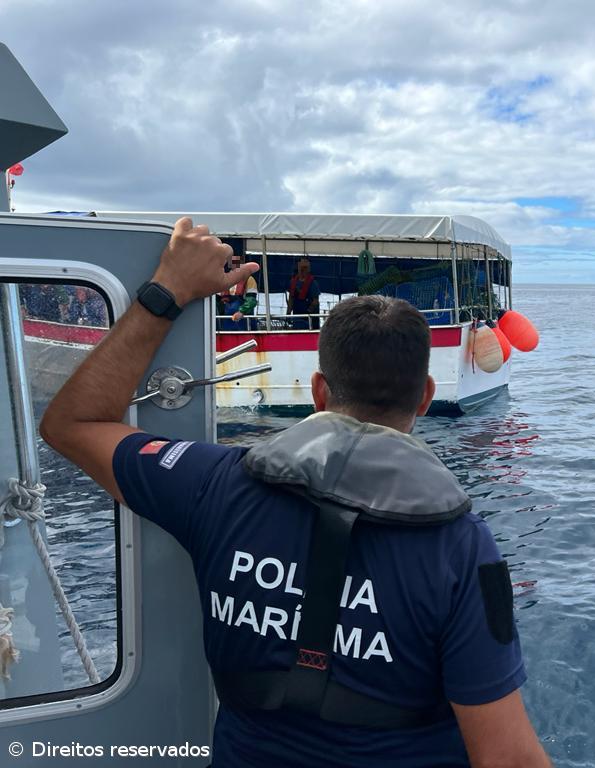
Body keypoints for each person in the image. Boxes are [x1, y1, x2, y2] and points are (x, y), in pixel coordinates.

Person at [39, 218, 550, 768]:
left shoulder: (215, 483)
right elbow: (508, 759)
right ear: (425, 397)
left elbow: (73, 423)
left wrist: (167, 294)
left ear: (318, 390)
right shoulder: (462, 547)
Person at [217, 253, 259, 331]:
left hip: (244, 322)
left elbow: (251, 300)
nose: (234, 263)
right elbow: (216, 301)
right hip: (225, 321)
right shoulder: (223, 280)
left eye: (237, 260)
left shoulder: (249, 280)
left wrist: (241, 312)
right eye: (232, 260)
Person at [287, 256, 321, 330]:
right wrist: (288, 313)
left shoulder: (313, 283)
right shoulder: (293, 282)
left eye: (305, 267)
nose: (303, 270)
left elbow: (316, 301)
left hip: (310, 317)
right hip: (297, 315)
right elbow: (291, 298)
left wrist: (308, 312)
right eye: (301, 267)